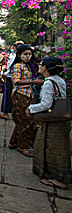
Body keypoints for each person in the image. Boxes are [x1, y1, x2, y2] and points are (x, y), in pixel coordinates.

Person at [28, 57, 71, 189]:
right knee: (59, 147)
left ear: (45, 68)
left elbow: (46, 104)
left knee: (51, 147)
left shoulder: (48, 83)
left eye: (41, 64)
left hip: (52, 120)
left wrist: (31, 108)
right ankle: (55, 174)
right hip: (61, 119)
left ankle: (59, 178)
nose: (39, 66)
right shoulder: (60, 80)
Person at [8, 44, 43, 157]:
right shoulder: (18, 66)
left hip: (30, 95)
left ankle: (13, 142)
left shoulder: (30, 66)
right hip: (21, 95)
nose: (28, 56)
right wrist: (34, 82)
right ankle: (23, 146)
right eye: (25, 54)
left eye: (29, 54)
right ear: (19, 55)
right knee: (24, 121)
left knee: (25, 120)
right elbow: (16, 81)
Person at [0, 41, 24, 119]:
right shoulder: (19, 56)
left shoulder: (14, 57)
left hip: (11, 79)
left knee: (8, 96)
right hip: (20, 79)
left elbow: (10, 68)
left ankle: (5, 113)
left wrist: (4, 75)